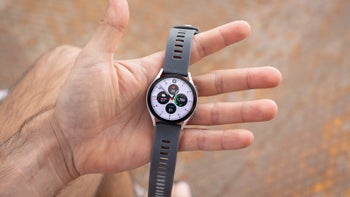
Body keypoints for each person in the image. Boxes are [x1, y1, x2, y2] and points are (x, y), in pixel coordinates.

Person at [0, 0, 282, 196]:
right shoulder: (167, 101)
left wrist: (62, 144)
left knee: (62, 61)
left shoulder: (163, 96)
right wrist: (59, 148)